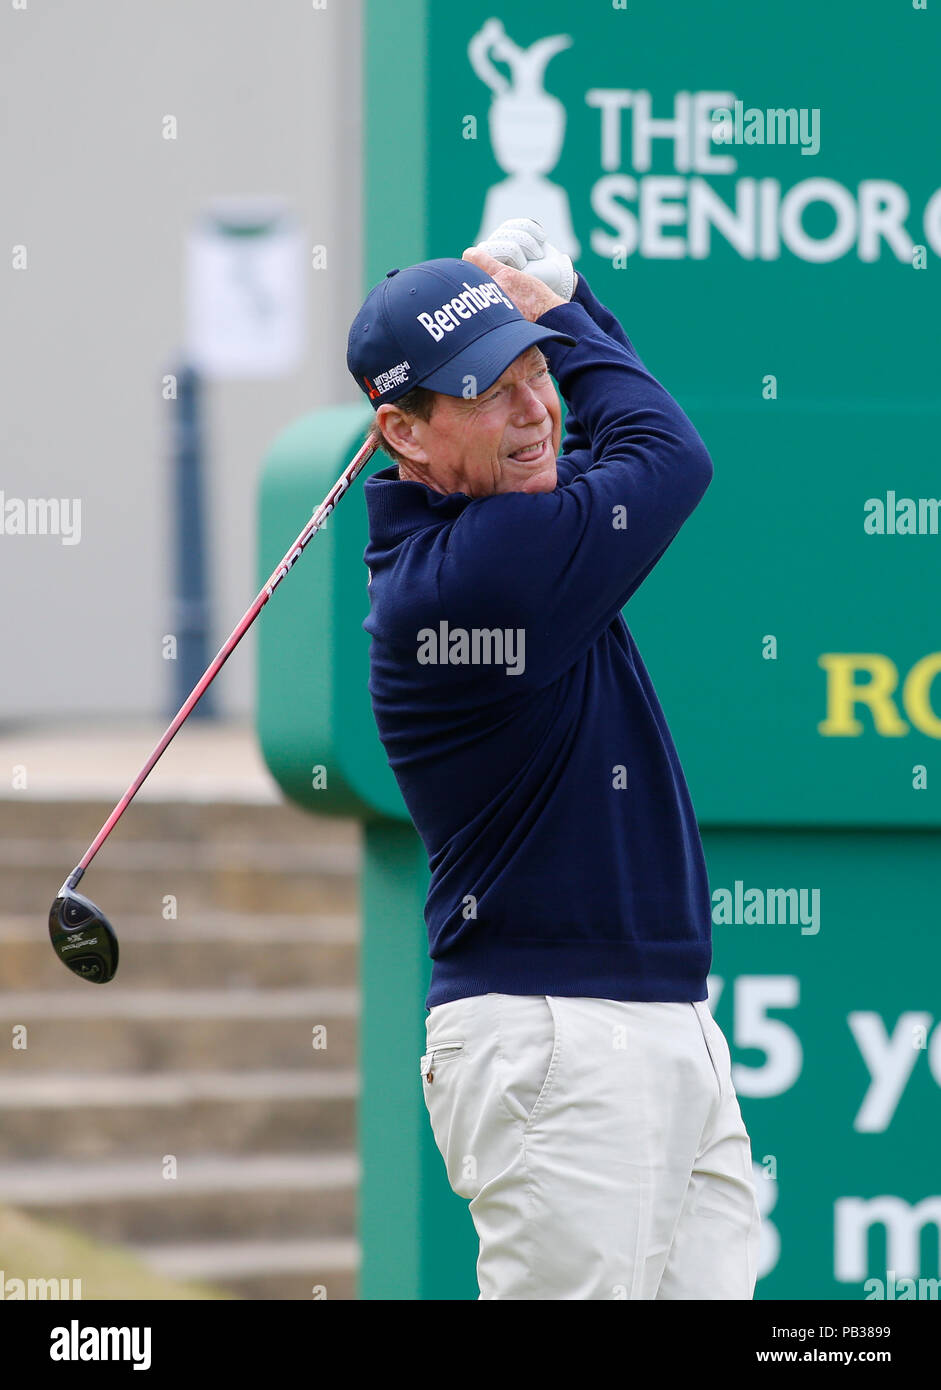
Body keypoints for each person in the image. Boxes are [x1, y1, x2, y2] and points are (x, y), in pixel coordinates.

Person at [345, 225, 761, 1300]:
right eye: (490, 390)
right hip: (554, 1038)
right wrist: (563, 309)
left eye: (535, 373)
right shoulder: (474, 582)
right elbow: (668, 454)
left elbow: (619, 434)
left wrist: (553, 315)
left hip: (653, 1023)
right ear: (404, 433)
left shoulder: (502, 518)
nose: (534, 410)